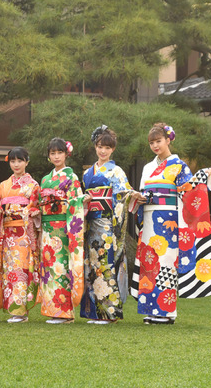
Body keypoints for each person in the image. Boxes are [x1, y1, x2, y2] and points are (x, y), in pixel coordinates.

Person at [130, 123, 211, 324]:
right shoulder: (148, 167)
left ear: (168, 140)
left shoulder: (179, 165)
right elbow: (144, 191)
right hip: (150, 217)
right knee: (150, 262)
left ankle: (167, 312)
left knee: (166, 263)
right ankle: (151, 310)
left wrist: (202, 175)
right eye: (151, 142)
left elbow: (187, 189)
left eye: (158, 141)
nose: (155, 146)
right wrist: (138, 197)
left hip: (169, 219)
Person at [80, 126, 139, 324]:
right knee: (92, 265)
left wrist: (131, 195)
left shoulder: (117, 171)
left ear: (112, 149)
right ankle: (95, 312)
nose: (102, 151)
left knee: (105, 265)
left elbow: (123, 194)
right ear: (95, 147)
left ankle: (110, 312)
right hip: (90, 223)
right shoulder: (88, 173)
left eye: (107, 147)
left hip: (107, 222)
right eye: (99, 146)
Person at [38, 138, 85, 324]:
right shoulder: (45, 179)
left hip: (64, 228)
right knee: (49, 268)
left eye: (59, 152)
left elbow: (76, 201)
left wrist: (71, 203)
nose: (56, 156)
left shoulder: (72, 178)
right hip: (48, 228)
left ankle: (64, 312)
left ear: (66, 154)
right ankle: (51, 309)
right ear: (49, 156)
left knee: (62, 268)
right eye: (53, 153)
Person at [0, 147, 40, 323]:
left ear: (26, 162)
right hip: (7, 233)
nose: (16, 164)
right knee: (9, 270)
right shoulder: (4, 185)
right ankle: (14, 310)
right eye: (13, 161)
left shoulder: (33, 185)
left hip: (23, 233)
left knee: (21, 270)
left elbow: (35, 206)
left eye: (20, 161)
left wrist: (28, 211)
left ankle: (20, 312)